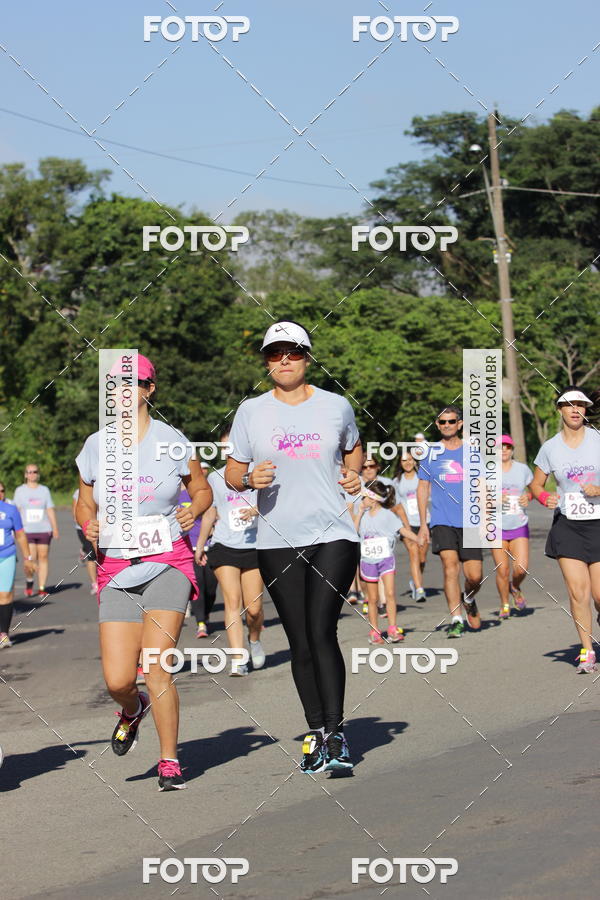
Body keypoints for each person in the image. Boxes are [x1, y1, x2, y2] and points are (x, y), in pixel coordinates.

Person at [225, 320, 362, 773]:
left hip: (333, 532)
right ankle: (318, 732)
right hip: (276, 539)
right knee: (300, 638)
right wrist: (248, 480)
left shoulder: (335, 406)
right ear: (266, 361)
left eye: (293, 352)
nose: (284, 360)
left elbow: (354, 449)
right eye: (274, 354)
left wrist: (354, 474)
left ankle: (338, 733)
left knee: (322, 628)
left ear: (307, 357)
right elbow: (232, 472)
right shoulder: (251, 411)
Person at [76, 354, 212, 791]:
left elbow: (202, 488)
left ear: (150, 390)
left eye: (132, 383)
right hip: (116, 565)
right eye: (114, 383)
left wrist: (195, 509)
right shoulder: (97, 445)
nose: (122, 390)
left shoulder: (173, 441)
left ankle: (169, 760)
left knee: (157, 666)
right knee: (117, 679)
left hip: (167, 561)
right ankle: (132, 709)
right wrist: (87, 523)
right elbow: (84, 501)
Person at [530, 387, 600, 673]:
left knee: (599, 596)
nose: (575, 410)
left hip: (598, 523)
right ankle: (587, 650)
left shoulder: (598, 440)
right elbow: (535, 484)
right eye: (569, 405)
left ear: (586, 410)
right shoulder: (550, 447)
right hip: (568, 525)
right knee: (577, 592)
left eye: (580, 406)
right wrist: (544, 496)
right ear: (559, 410)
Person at [200, 434, 265, 675]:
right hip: (224, 545)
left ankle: (255, 640)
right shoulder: (215, 478)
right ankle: (238, 658)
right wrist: (199, 546)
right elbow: (209, 513)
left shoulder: (257, 474)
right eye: (226, 445)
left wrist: (255, 511)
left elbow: (275, 505)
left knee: (254, 608)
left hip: (254, 546)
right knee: (232, 601)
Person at [417, 405, 483, 638]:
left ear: (460, 423)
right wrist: (424, 523)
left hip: (471, 520)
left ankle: (469, 598)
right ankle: (456, 618)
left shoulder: (472, 452)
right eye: (442, 422)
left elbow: (482, 483)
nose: (447, 426)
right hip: (442, 520)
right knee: (450, 567)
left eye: (451, 421)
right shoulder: (429, 453)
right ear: (437, 425)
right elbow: (423, 486)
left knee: (474, 575)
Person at [353, 480, 422, 644]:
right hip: (368, 561)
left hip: (386, 560)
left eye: (365, 495)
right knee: (372, 598)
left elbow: (402, 530)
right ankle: (375, 631)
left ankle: (392, 628)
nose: (362, 498)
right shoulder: (362, 515)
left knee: (390, 594)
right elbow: (353, 531)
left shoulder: (387, 514)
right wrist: (361, 511)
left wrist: (417, 538)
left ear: (373, 498)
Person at [491, 435, 533, 619]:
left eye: (507, 447)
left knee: (521, 568)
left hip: (519, 524)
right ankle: (504, 604)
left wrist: (528, 497)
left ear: (512, 449)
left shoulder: (522, 469)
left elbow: (534, 489)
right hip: (496, 527)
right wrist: (494, 499)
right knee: (502, 570)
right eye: (501, 447)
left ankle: (514, 587)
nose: (504, 450)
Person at [179, 464, 217, 639]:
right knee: (198, 585)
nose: (202, 472)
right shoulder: (176, 494)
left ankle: (206, 615)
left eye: (204, 469)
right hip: (188, 547)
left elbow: (217, 515)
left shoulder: (207, 493)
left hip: (210, 546)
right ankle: (201, 623)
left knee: (210, 587)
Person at [13, 465, 59, 596]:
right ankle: (29, 580)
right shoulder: (20, 491)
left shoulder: (44, 490)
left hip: (44, 529)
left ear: (38, 474)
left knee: (43, 557)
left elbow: (49, 509)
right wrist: (15, 529)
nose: (32, 474)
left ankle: (42, 587)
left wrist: (55, 527)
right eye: (29, 472)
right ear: (25, 475)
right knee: (30, 558)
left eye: (35, 472)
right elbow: (16, 510)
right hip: (27, 530)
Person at [0, 494, 36, 647]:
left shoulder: (10, 510)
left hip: (6, 555)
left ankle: (3, 634)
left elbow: (20, 535)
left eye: (2, 490)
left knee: (5, 594)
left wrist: (28, 558)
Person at [393, 453, 429, 602]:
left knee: (422, 558)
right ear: (400, 463)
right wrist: (404, 525)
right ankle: (420, 589)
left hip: (423, 523)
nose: (407, 463)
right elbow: (395, 505)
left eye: (409, 459)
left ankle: (415, 581)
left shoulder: (423, 478)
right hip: (406, 524)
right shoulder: (396, 481)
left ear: (414, 461)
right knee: (413, 553)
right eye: (403, 460)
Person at [72, 488, 98, 595]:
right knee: (92, 555)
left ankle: (83, 550)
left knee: (100, 553)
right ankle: (95, 583)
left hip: (101, 527)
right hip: (83, 528)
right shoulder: (78, 492)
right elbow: (75, 514)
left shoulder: (102, 488)